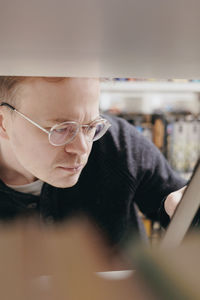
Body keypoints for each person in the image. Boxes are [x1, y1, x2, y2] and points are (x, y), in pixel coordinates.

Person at [0, 76, 186, 246]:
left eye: (91, 126)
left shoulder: (118, 142)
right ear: (3, 122)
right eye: (60, 129)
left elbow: (175, 201)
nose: (83, 148)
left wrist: (182, 211)